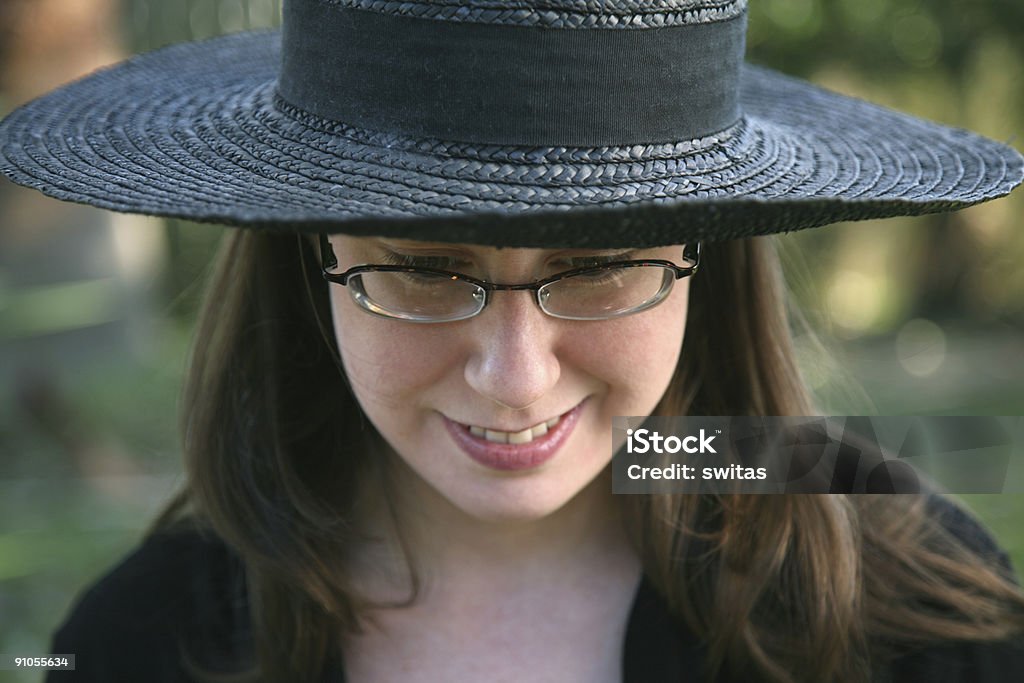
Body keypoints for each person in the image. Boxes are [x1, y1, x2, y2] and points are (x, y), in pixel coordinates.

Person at [1, 0, 1023, 681]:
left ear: (703, 256)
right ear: (310, 254)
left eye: (598, 267)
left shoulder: (905, 598)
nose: (514, 378)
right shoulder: (144, 640)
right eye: (423, 270)